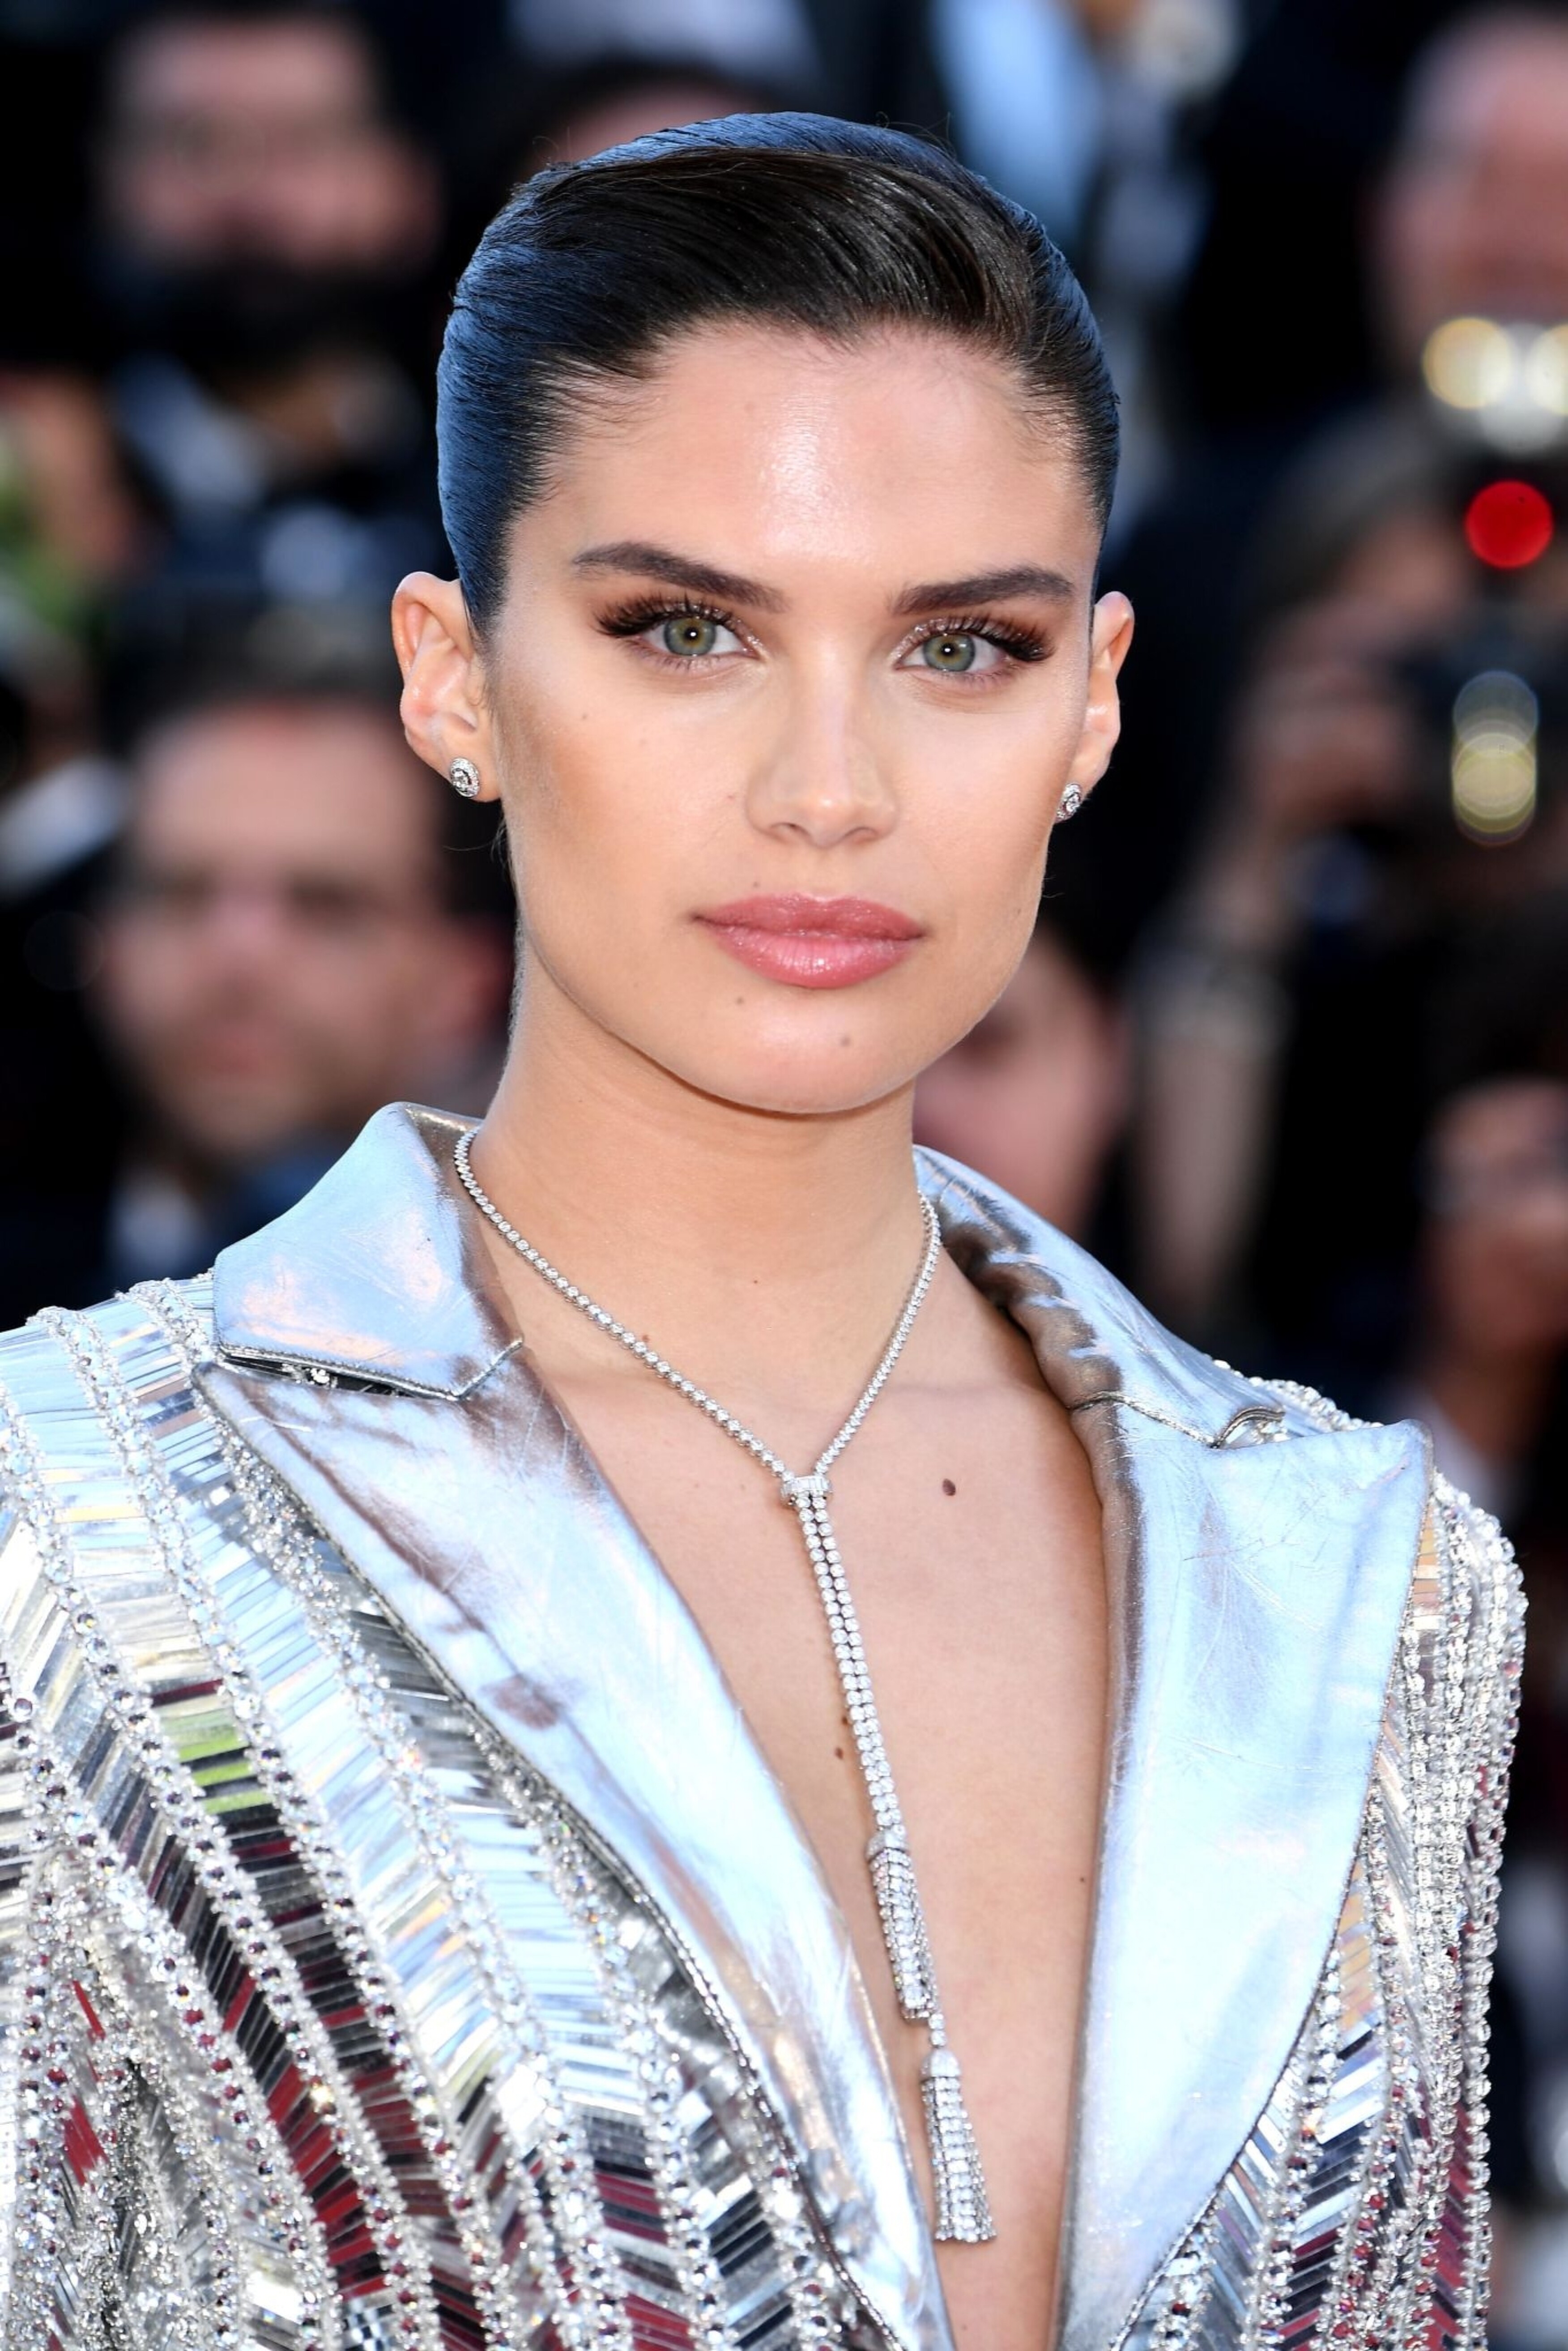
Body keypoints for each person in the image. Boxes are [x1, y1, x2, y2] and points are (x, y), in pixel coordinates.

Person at [0, 115, 1520, 2351]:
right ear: (452, 677)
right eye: (686, 629)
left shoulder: (1368, 1578)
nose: (831, 788)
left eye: (962, 648)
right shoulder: (72, 1529)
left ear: (1095, 702)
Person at [0, 643, 510, 1326]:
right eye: (181, 892)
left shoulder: (555, 1334)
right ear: (104, 943)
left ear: (466, 982)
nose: (238, 955)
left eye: (326, 904)